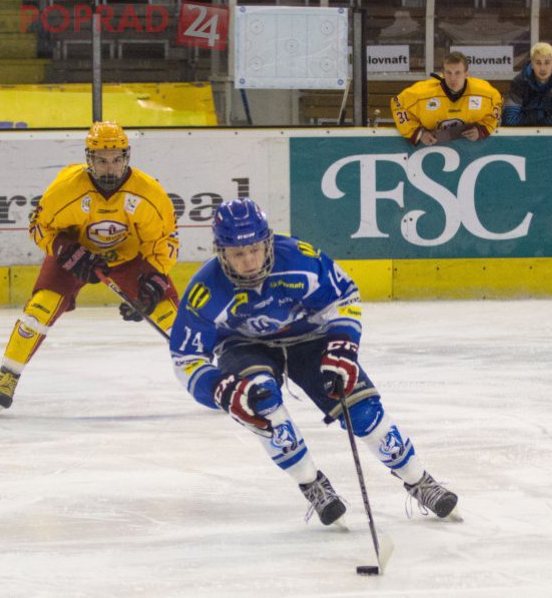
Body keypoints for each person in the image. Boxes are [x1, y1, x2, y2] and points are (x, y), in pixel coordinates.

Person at [168, 198, 458, 525]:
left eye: (255, 249)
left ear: (267, 242)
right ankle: (312, 484)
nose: (248, 261)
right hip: (244, 346)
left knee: (361, 409)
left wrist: (342, 347)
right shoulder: (205, 291)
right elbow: (186, 358)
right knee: (261, 406)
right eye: (237, 254)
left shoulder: (300, 259)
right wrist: (218, 388)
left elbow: (343, 296)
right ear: (221, 252)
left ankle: (420, 481)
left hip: (311, 338)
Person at [0, 121, 180, 415]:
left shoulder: (148, 193)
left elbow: (165, 239)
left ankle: (207, 369)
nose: (109, 168)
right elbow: (38, 227)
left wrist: (154, 279)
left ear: (126, 158)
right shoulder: (66, 189)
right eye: (101, 160)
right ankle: (8, 374)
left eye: (116, 160)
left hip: (128, 258)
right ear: (88, 159)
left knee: (169, 315)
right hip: (75, 255)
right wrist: (66, 250)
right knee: (39, 310)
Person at [391, 51, 502, 146]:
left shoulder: (485, 93)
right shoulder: (423, 93)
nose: (453, 78)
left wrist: (482, 130)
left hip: (470, 150)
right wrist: (418, 133)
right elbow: (397, 103)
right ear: (443, 73)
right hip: (429, 151)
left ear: (467, 73)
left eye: (458, 73)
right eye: (448, 73)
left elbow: (497, 102)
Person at [502, 42, 552, 126]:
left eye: (547, 62)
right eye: (538, 63)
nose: (542, 68)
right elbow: (510, 119)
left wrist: (533, 120)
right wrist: (540, 118)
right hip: (521, 134)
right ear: (532, 64)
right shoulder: (519, 82)